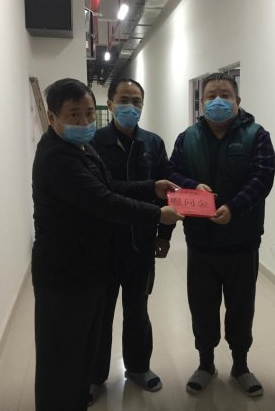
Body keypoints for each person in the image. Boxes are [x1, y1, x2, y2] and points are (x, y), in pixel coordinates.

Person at [31, 78, 183, 411]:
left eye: (88, 113)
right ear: (52, 116)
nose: (84, 121)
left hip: (96, 260)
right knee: (63, 354)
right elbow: (105, 201)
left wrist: (151, 187)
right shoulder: (59, 157)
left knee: (90, 337)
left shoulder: (83, 148)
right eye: (74, 114)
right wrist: (157, 213)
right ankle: (81, 388)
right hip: (65, 270)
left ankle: (113, 376)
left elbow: (110, 185)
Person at [166, 72, 275, 396]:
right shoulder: (187, 138)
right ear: (201, 102)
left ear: (237, 101)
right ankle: (206, 364)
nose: (218, 100)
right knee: (202, 307)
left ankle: (241, 366)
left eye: (225, 95)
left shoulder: (257, 135)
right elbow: (170, 172)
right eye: (211, 95)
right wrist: (191, 185)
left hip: (242, 242)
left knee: (241, 308)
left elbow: (262, 177)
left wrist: (234, 208)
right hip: (200, 242)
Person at [87, 78, 174, 401]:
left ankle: (138, 367)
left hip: (141, 243)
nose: (131, 106)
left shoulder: (153, 143)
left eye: (137, 101)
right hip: (102, 244)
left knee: (137, 309)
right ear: (110, 104)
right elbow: (99, 193)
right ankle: (95, 376)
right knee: (101, 314)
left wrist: (164, 235)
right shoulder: (93, 143)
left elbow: (168, 192)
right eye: (124, 100)